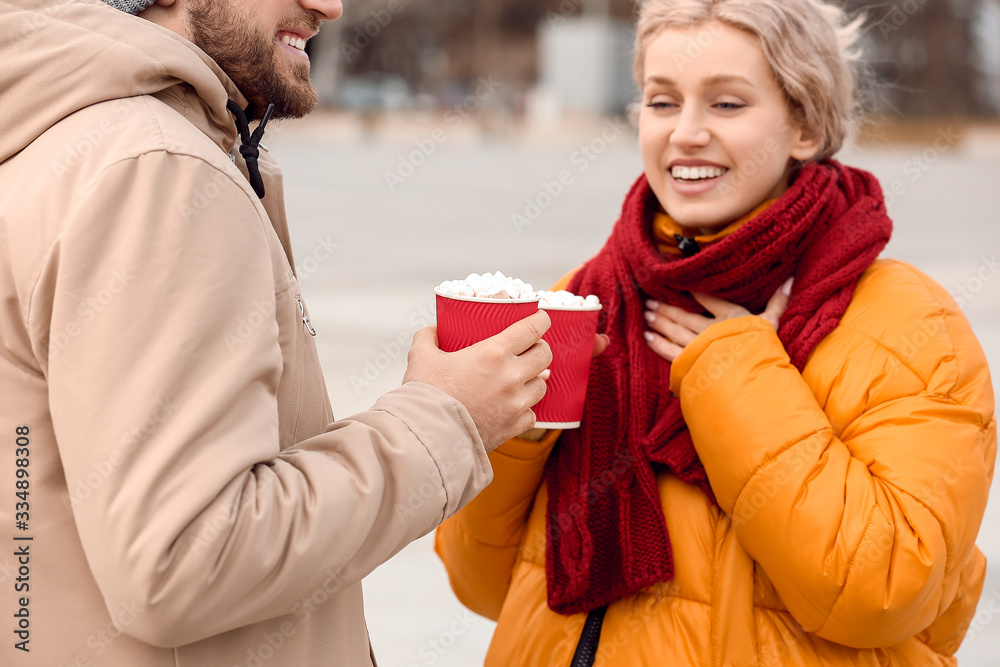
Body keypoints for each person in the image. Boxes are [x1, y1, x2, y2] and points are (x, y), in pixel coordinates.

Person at [435, 0, 996, 664]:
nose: (686, 133)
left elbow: (883, 588)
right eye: (662, 101)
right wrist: (511, 438)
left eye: (727, 105)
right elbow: (483, 586)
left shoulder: (910, 324)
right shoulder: (585, 299)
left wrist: (737, 371)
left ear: (805, 125)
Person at [0, 0, 555, 664]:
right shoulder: (158, 169)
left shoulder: (65, 137)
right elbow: (181, 561)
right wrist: (444, 420)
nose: (331, 5)